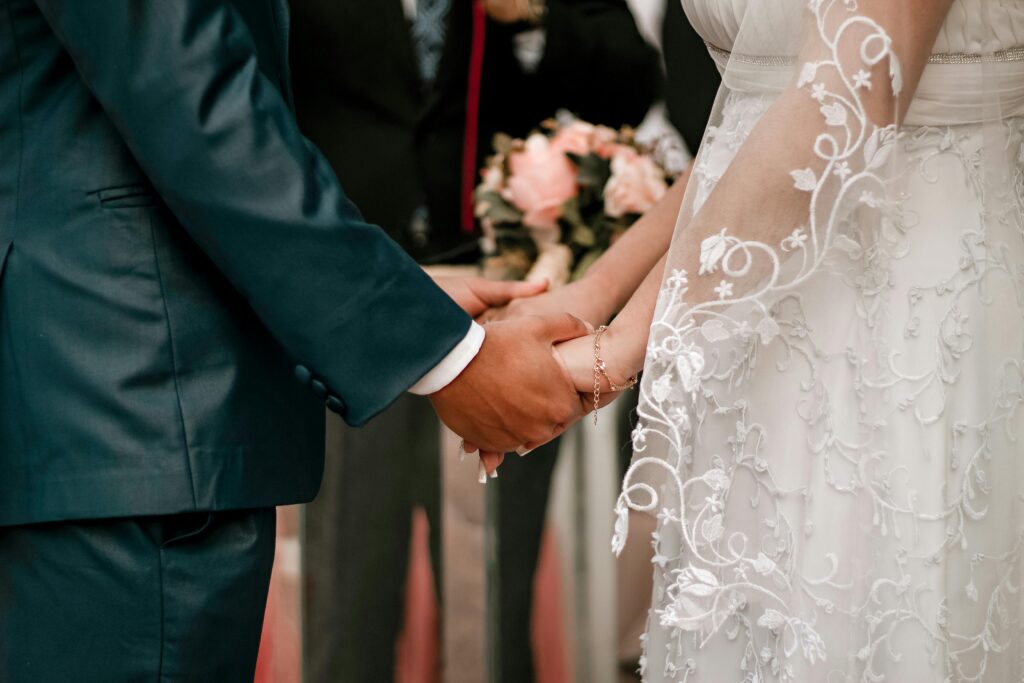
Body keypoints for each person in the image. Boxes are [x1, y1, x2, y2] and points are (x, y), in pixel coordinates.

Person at [0, 1, 590, 680]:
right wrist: (441, 351)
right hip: (135, 409)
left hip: (105, 403)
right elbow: (196, 97)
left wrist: (406, 295)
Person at [489, 0, 1024, 679]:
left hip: (904, 322)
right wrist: (591, 295)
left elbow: (844, 97)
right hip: (749, 333)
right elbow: (752, 118)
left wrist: (621, 348)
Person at [287, 1, 660, 680]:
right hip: (349, 305)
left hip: (508, 309)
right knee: (348, 579)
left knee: (495, 583)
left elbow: (634, 84)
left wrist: (536, 16)